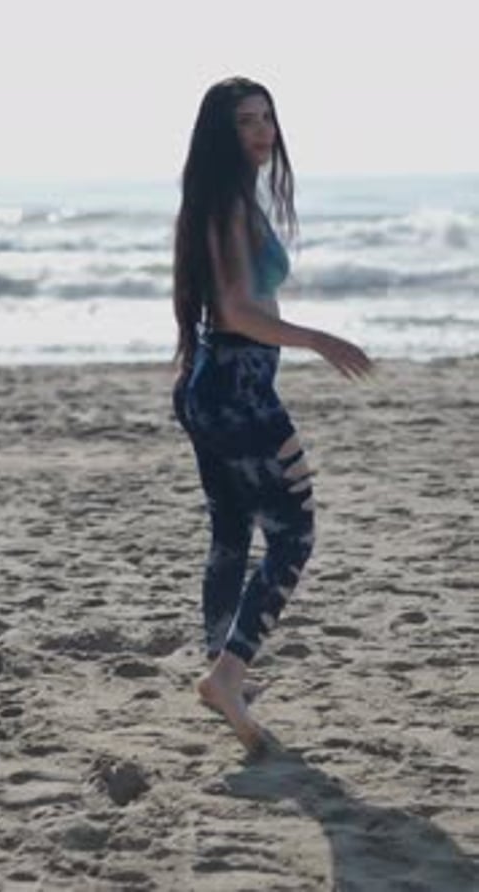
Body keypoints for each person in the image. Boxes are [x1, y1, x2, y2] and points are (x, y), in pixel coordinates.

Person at [172, 76, 372, 756]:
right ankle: (227, 676)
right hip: (238, 390)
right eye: (246, 123)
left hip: (214, 384)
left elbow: (217, 315)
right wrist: (319, 339)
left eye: (267, 119)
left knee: (231, 535)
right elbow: (234, 312)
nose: (262, 133)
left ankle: (220, 672)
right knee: (294, 534)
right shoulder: (226, 204)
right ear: (220, 135)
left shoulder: (222, 199)